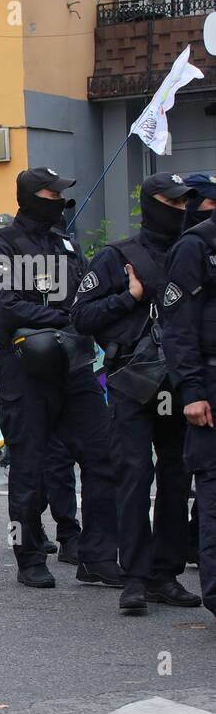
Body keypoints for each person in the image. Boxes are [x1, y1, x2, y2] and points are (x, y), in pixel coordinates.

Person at [0, 167, 121, 589]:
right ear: (29, 195)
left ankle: (96, 555)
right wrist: (61, 318)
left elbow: (85, 296)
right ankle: (28, 555)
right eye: (51, 192)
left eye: (61, 192)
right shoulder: (1, 245)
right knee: (28, 463)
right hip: (27, 369)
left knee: (102, 456)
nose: (59, 199)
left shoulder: (65, 243)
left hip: (75, 367)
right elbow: (0, 309)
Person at [72, 172, 200, 613]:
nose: (181, 210)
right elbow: (81, 316)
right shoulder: (117, 256)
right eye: (173, 202)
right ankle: (135, 577)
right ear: (152, 203)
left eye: (186, 203)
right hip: (131, 379)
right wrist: (130, 298)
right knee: (133, 474)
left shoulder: (194, 252)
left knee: (176, 477)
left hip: (181, 381)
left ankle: (165, 574)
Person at [163, 173, 216, 619]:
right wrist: (193, 392)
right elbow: (180, 328)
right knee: (212, 490)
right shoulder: (194, 247)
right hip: (209, 386)